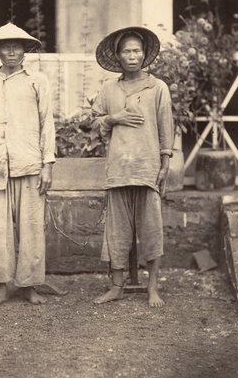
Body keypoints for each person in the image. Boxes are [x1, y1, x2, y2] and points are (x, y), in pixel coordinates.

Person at [91, 26, 173, 306]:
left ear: (145, 53)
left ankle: (152, 288)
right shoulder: (108, 89)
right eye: (126, 50)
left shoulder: (157, 87)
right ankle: (116, 286)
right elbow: (92, 122)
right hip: (118, 170)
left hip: (147, 168)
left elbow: (166, 128)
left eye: (137, 50)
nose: (132, 55)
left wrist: (165, 163)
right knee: (117, 231)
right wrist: (115, 118)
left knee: (151, 229)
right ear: (118, 55)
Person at [0, 23, 55, 307]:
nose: (11, 51)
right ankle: (1, 287)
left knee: (32, 227)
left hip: (30, 163)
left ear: (25, 50)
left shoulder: (38, 81)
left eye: (17, 46)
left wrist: (48, 163)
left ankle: (30, 286)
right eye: (5, 46)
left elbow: (48, 123)